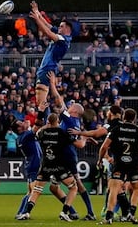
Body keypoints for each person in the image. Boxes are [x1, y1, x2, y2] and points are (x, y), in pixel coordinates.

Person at [48, 72, 95, 221]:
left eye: (71, 106)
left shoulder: (69, 119)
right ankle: (77, 211)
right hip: (66, 154)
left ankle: (81, 212)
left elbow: (58, 101)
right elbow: (80, 142)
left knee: (74, 185)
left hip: (64, 155)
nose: (69, 106)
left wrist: (52, 84)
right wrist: (86, 137)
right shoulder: (76, 124)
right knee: (55, 188)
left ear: (74, 111)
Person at [98, 108, 138, 225]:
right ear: (134, 119)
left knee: (114, 189)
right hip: (133, 164)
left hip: (119, 163)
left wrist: (100, 160)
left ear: (123, 117)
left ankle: (108, 217)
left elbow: (104, 147)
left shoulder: (116, 129)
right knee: (136, 189)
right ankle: (132, 213)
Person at [17, 113, 81, 221]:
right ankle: (64, 212)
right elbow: (79, 145)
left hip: (46, 165)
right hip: (59, 166)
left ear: (48, 122)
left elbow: (36, 133)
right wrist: (83, 137)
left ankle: (26, 213)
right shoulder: (62, 133)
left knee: (36, 190)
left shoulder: (42, 132)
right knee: (73, 187)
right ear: (58, 121)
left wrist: (46, 125)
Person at [30, 1, 72, 111]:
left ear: (67, 29)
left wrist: (37, 20)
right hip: (46, 69)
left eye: (61, 26)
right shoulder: (60, 35)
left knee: (41, 103)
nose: (59, 28)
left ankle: (46, 123)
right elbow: (48, 25)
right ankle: (48, 120)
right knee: (41, 103)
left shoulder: (64, 40)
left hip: (47, 69)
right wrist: (37, 12)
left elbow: (48, 33)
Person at [14, 119, 43, 219]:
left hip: (32, 164)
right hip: (33, 165)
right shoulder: (26, 135)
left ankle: (20, 212)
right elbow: (38, 126)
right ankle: (23, 213)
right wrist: (41, 110)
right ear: (18, 129)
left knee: (30, 192)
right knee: (33, 191)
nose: (23, 122)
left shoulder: (23, 136)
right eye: (20, 123)